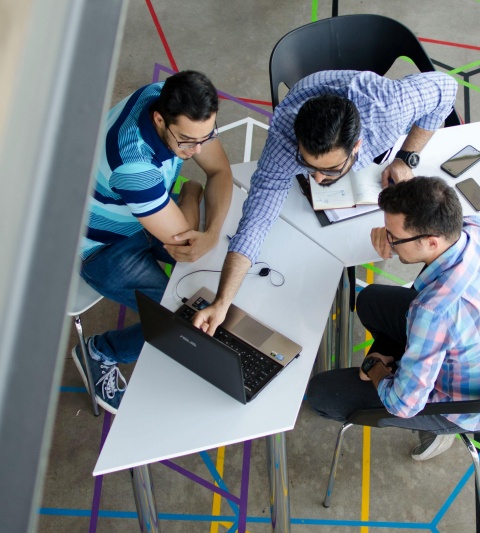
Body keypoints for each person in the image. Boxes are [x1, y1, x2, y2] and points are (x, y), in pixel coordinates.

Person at [190, 70, 458, 336]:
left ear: (357, 147)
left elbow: (447, 88)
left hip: (369, 99)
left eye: (329, 170)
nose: (317, 179)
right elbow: (255, 221)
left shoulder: (389, 109)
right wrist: (222, 301)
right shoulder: (284, 139)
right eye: (308, 165)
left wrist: (406, 156)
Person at [306, 177, 480, 460]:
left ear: (431, 241)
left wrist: (375, 366)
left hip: (463, 406)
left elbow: (402, 404)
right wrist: (389, 233)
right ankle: (403, 363)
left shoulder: (434, 311)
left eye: (394, 238)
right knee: (370, 300)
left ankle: (436, 430)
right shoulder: (479, 228)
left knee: (322, 393)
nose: (388, 242)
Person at [73, 70, 233, 413]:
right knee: (178, 321)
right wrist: (191, 193)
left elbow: (220, 171)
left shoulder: (170, 98)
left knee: (213, 267)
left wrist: (213, 232)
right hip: (102, 247)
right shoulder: (134, 166)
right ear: (159, 119)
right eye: (188, 141)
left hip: (143, 213)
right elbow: (187, 244)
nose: (198, 149)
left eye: (207, 136)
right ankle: (101, 351)